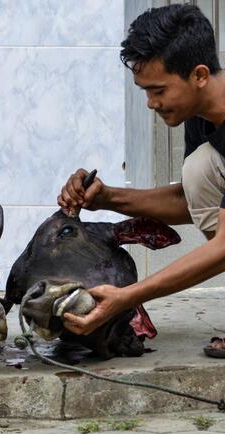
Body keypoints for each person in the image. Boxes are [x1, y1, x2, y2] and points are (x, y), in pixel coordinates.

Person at [57, 4, 225, 356]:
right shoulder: (202, 112)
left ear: (199, 75)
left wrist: (127, 297)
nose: (150, 103)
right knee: (200, 168)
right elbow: (192, 201)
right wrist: (107, 198)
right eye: (145, 91)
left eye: (159, 90)